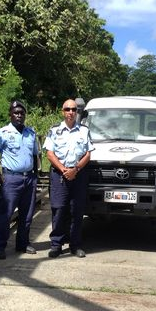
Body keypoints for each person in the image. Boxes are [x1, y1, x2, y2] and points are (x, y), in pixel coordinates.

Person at [0, 100, 40, 260]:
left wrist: (35, 175)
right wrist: (1, 178)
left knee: (27, 214)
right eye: (16, 113)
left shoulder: (31, 133)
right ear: (10, 114)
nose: (19, 115)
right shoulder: (2, 133)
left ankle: (23, 244)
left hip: (29, 178)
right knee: (5, 214)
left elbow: (34, 155)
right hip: (11, 178)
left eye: (22, 113)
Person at [43, 99, 94, 258]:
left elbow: (88, 154)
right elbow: (49, 153)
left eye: (73, 109)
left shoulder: (84, 131)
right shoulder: (54, 130)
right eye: (67, 109)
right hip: (60, 175)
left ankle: (75, 245)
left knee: (76, 211)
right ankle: (56, 245)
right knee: (58, 209)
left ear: (77, 112)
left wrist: (75, 169)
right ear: (62, 111)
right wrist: (63, 169)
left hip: (78, 175)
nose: (71, 112)